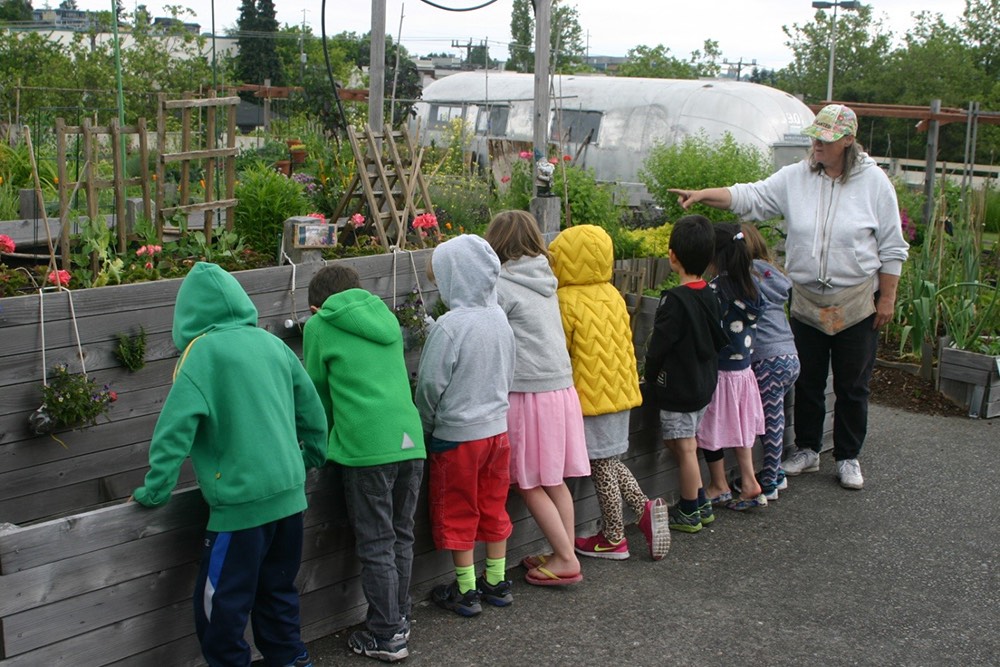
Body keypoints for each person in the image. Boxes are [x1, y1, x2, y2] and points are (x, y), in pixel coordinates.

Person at [669, 103, 909, 490]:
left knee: (852, 384)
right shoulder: (796, 177)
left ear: (848, 141)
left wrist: (887, 299)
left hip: (856, 300)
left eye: (825, 140)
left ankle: (848, 456)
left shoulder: (875, 183)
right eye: (814, 137)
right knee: (809, 380)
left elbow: (893, 247)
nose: (816, 145)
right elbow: (749, 196)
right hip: (808, 300)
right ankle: (809, 449)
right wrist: (702, 195)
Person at [132, 262, 328, 667]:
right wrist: (310, 456)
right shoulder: (271, 342)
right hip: (290, 499)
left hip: (241, 508)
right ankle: (292, 660)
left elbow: (173, 431)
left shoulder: (201, 354)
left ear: (187, 315)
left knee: (219, 609)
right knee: (277, 593)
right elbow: (312, 410)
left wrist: (157, 488)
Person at [303, 265, 426, 663]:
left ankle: (387, 635)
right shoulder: (385, 316)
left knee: (376, 542)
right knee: (401, 534)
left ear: (313, 306)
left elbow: (315, 396)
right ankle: (399, 617)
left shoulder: (319, 326)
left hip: (366, 447)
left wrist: (314, 449)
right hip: (410, 441)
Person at [549, 224, 669, 561]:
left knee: (602, 465)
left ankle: (615, 535)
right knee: (609, 460)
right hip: (621, 392)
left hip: (590, 397)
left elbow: (563, 353)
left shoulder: (564, 300)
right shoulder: (612, 294)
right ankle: (643, 511)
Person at [484, 211, 591, 584]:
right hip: (560, 391)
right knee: (553, 479)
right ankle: (565, 550)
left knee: (528, 482)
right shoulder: (546, 278)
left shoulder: (501, 286)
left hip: (528, 393)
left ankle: (565, 559)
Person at [415, 234, 517, 617]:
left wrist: (426, 425)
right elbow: (509, 372)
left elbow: (429, 385)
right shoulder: (500, 319)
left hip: (457, 437)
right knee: (493, 505)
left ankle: (466, 590)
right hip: (496, 432)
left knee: (459, 508)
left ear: (455, 279)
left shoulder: (449, 326)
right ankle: (496, 581)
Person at [644, 215, 728, 534]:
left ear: (672, 256)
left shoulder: (674, 301)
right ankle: (700, 500)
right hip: (704, 384)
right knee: (681, 442)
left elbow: (658, 347)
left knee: (686, 446)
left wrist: (650, 376)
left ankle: (690, 509)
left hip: (680, 389)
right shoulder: (710, 294)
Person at [697, 223, 767, 512]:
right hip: (743, 373)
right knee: (740, 429)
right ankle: (749, 481)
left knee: (710, 428)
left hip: (720, 373)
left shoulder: (715, 290)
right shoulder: (752, 287)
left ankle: (718, 484)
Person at [733, 223, 801, 500]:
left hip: (767, 358)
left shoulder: (747, 277)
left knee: (770, 421)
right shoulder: (773, 275)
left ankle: (770, 482)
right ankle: (778, 474)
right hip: (790, 354)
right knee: (777, 416)